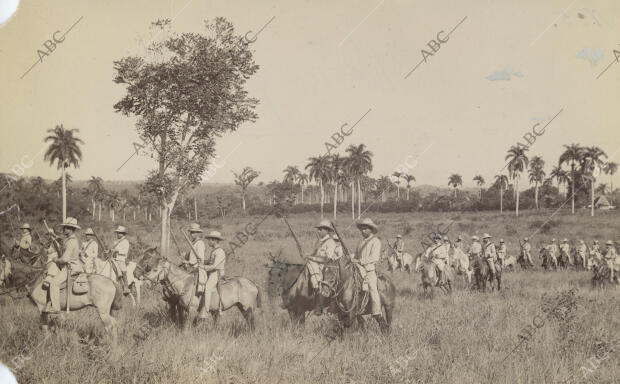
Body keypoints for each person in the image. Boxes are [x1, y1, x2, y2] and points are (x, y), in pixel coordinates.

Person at [44, 218, 83, 314]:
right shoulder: (70, 239)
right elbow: (61, 241)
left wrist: (56, 260)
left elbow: (65, 259)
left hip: (70, 267)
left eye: (66, 227)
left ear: (71, 229)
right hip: (68, 266)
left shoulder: (71, 242)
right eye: (64, 227)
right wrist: (54, 235)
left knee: (54, 283)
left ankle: (56, 307)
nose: (64, 229)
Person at [351, 218, 383, 321]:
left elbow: (374, 257)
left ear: (371, 229)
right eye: (361, 229)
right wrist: (351, 258)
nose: (362, 231)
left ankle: (377, 312)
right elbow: (356, 254)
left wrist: (359, 261)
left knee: (372, 288)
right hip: (357, 268)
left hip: (369, 270)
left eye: (365, 229)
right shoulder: (360, 242)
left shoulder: (376, 241)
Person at [198, 231, 226, 320]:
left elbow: (214, 266)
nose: (208, 242)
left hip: (216, 273)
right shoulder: (214, 250)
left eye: (209, 240)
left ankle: (205, 311)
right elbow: (210, 261)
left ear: (214, 240)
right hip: (211, 271)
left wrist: (202, 266)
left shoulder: (220, 252)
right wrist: (202, 261)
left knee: (208, 287)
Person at [306, 219, 336, 295]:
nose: (318, 231)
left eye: (320, 229)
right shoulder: (318, 241)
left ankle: (317, 285)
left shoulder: (330, 242)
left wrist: (313, 258)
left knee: (311, 263)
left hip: (325, 267)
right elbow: (313, 253)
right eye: (318, 229)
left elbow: (327, 259)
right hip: (315, 264)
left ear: (326, 230)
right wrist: (307, 255)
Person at [108, 225, 130, 295]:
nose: (118, 234)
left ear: (123, 234)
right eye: (117, 233)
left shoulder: (126, 242)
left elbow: (124, 252)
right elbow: (112, 249)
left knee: (123, 272)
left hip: (121, 260)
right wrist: (109, 251)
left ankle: (126, 287)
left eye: (120, 233)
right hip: (113, 258)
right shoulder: (115, 241)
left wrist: (116, 251)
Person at [185, 223, 206, 291]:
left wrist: (188, 262)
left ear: (198, 233)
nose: (191, 234)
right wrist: (185, 256)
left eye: (193, 232)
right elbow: (192, 256)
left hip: (197, 268)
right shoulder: (194, 243)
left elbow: (200, 258)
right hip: (190, 267)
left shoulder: (200, 243)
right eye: (191, 232)